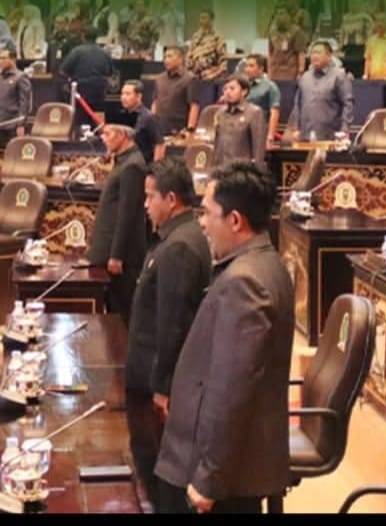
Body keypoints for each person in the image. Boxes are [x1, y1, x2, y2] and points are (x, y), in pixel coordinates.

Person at [154, 162, 294, 514]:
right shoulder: (267, 262)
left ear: (234, 221)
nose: (201, 223)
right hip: (234, 467)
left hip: (224, 478)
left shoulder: (244, 283)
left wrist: (208, 479)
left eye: (206, 212)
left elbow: (230, 391)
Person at [126, 158, 211, 509]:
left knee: (158, 477)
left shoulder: (179, 246)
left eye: (150, 197)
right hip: (152, 376)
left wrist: (162, 387)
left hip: (155, 384)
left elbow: (173, 324)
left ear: (171, 199)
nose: (145, 204)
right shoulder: (177, 237)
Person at [87, 114, 148, 321]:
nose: (103, 138)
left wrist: (117, 255)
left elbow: (128, 213)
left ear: (123, 135)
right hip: (110, 251)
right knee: (110, 312)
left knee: (120, 314)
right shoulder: (124, 161)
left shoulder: (133, 166)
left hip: (122, 257)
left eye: (108, 134)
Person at [288, 41, 354, 142]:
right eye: (312, 53)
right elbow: (297, 104)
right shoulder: (305, 77)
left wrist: (344, 129)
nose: (314, 56)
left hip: (330, 136)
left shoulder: (339, 76)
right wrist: (295, 128)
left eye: (318, 52)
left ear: (329, 56)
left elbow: (348, 103)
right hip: (305, 135)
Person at [60, 28, 114, 129]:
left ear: (83, 37)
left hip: (80, 90)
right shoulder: (104, 53)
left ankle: (77, 132)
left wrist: (71, 78)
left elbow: (63, 71)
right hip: (99, 91)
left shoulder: (77, 51)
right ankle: (100, 135)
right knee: (97, 120)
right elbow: (110, 72)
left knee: (79, 118)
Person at [212, 76, 267, 170]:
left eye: (232, 88)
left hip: (242, 171)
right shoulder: (220, 113)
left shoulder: (254, 112)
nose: (227, 92)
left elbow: (259, 148)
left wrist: (257, 171)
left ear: (244, 92)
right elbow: (216, 145)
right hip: (221, 168)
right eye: (225, 89)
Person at [0, 48, 31, 147]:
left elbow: (24, 104)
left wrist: (21, 124)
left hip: (13, 125)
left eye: (4, 58)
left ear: (13, 59)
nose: (0, 61)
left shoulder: (21, 77)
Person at [152, 46, 199, 136]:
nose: (166, 60)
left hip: (179, 130)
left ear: (180, 59)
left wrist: (190, 129)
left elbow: (194, 106)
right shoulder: (159, 79)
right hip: (159, 128)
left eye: (170, 56)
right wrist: (152, 123)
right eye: (165, 57)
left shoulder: (189, 79)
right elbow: (155, 102)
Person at [243, 55, 282, 149]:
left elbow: (274, 112)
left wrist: (270, 136)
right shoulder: (241, 85)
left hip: (260, 132)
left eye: (251, 66)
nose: (247, 69)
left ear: (261, 69)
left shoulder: (270, 86)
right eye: (246, 66)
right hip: (242, 132)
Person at [120, 80, 163, 163]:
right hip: (124, 163)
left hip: (143, 164)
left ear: (139, 96)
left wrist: (155, 168)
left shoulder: (149, 117)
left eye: (128, 94)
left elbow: (160, 144)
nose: (123, 97)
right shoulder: (121, 115)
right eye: (122, 94)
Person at [267, 4, 308, 81]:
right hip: (274, 72)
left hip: (290, 73)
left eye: (282, 13)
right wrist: (269, 72)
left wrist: (300, 72)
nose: (278, 16)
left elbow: (301, 53)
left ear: (289, 16)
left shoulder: (297, 31)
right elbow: (270, 53)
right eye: (277, 14)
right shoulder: (272, 31)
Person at [186, 9, 227, 81]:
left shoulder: (217, 37)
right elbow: (189, 54)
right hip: (194, 73)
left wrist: (215, 73)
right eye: (200, 18)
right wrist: (188, 69)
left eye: (204, 18)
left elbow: (223, 59)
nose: (201, 21)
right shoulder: (195, 36)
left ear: (211, 20)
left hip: (210, 73)